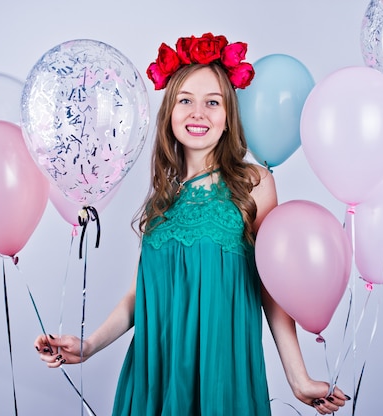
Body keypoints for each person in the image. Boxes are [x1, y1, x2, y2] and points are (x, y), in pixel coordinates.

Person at [35, 33, 349, 415]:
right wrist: (87, 346)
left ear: (228, 117)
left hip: (222, 371)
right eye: (186, 100)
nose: (198, 113)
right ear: (170, 111)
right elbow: (139, 298)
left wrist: (298, 377)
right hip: (155, 375)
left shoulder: (254, 184)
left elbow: (273, 289)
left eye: (212, 102)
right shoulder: (161, 201)